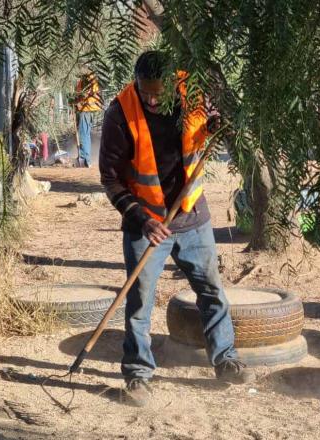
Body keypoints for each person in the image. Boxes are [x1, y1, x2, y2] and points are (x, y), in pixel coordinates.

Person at [99, 50, 251, 407]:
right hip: (147, 224)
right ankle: (138, 375)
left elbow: (213, 120)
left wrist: (215, 125)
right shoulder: (120, 113)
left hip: (192, 214)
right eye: (145, 91)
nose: (151, 99)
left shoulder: (193, 94)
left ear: (172, 84)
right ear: (135, 83)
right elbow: (109, 177)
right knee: (139, 302)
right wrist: (141, 218)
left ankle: (226, 359)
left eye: (158, 92)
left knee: (212, 291)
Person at [73, 67, 102, 168]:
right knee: (85, 134)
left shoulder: (88, 78)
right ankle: (86, 158)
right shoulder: (88, 78)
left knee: (83, 134)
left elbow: (87, 92)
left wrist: (79, 101)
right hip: (87, 109)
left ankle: (84, 158)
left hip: (86, 109)